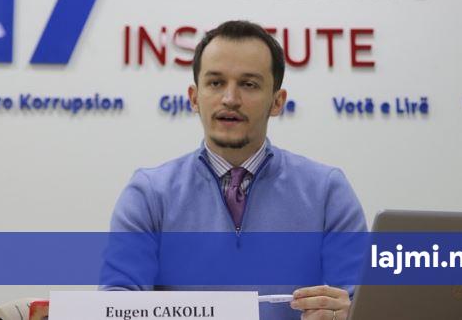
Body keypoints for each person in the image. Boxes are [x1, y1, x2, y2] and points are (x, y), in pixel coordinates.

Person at [101, 20, 367, 320]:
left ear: (277, 101)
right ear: (194, 98)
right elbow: (116, 306)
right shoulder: (149, 194)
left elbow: (359, 302)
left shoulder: (327, 192)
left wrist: (350, 314)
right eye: (216, 83)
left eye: (248, 84)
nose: (230, 99)